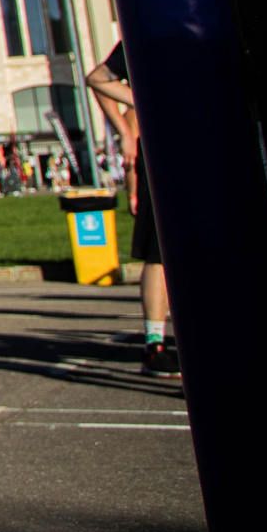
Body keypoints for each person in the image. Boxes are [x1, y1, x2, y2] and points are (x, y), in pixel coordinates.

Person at [87, 45, 174, 376]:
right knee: (159, 255)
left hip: (169, 155)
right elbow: (97, 78)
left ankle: (157, 344)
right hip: (176, 155)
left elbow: (99, 79)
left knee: (161, 256)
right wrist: (126, 132)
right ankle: (156, 344)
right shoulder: (163, 24)